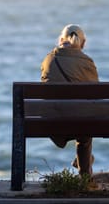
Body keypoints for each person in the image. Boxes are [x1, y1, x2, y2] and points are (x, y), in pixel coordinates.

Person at [40, 24, 99, 176]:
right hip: (78, 122)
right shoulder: (87, 62)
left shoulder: (48, 60)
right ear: (83, 43)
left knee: (79, 120)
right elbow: (95, 96)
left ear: (60, 40)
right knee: (85, 127)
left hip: (51, 121)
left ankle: (83, 167)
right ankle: (85, 175)